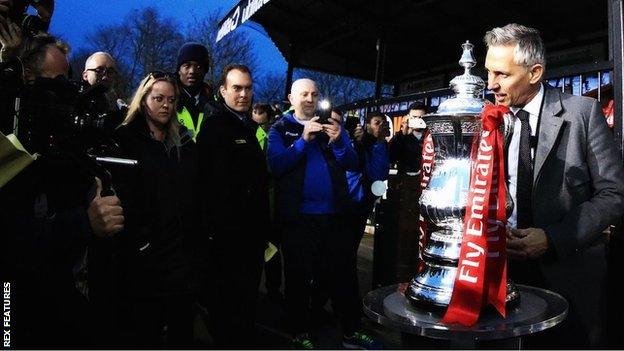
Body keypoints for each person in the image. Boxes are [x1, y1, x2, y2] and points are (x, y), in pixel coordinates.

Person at [484, 23, 624, 348]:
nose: (491, 84)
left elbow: (614, 193)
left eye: (502, 75)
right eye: (489, 72)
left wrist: (552, 238)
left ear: (534, 72)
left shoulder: (583, 113)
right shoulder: (489, 119)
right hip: (499, 273)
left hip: (566, 275)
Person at [0, 33, 124, 348]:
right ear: (25, 79)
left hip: (60, 298)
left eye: (66, 80)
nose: (66, 93)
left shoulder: (63, 145)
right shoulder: (8, 141)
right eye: (54, 82)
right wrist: (84, 223)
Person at [267, 78, 381, 349]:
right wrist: (303, 141)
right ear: (291, 99)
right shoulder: (281, 129)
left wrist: (340, 140)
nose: (309, 98)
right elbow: (275, 166)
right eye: (304, 94)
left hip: (334, 216)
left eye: (314, 94)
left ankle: (351, 331)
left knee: (343, 276)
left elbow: (353, 164)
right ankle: (299, 331)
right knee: (298, 278)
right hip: (299, 219)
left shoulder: (332, 127)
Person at [111, 71, 200, 348]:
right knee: (144, 331)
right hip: (143, 258)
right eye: (158, 98)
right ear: (144, 99)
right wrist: (142, 246)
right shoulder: (125, 139)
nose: (166, 105)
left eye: (171, 100)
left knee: (180, 330)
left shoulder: (182, 142)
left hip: (180, 256)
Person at [195, 64, 269, 348]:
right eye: (237, 88)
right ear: (223, 91)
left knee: (246, 305)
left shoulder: (249, 127)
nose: (243, 94)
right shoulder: (215, 128)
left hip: (251, 239)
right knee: (226, 309)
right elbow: (209, 186)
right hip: (226, 241)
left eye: (248, 88)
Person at [175, 42, 213, 140]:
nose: (192, 71)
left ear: (205, 71)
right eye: (186, 66)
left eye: (198, 67)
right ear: (179, 70)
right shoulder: (167, 101)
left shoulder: (215, 104)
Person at [81, 51, 125, 132]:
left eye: (110, 72)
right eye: (99, 71)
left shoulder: (119, 108)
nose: (105, 77)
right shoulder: (76, 102)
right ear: (85, 75)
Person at [388, 101, 427, 175]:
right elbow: (392, 157)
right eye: (414, 117)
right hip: (405, 180)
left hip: (426, 178)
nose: (418, 120)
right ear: (408, 117)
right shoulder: (402, 137)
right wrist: (403, 133)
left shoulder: (430, 137)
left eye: (421, 117)